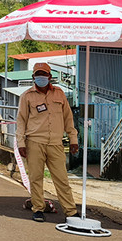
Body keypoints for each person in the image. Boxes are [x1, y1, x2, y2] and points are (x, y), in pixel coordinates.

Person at [16, 62, 79, 222]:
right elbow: (21, 121)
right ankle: (38, 209)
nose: (41, 78)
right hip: (34, 143)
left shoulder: (59, 94)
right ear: (33, 77)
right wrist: (21, 143)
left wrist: (73, 139)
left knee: (62, 179)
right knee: (36, 178)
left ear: (50, 77)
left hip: (56, 143)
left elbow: (68, 118)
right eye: (38, 75)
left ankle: (71, 212)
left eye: (44, 75)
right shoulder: (27, 96)